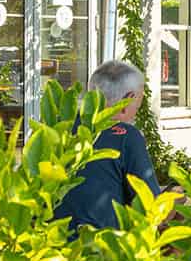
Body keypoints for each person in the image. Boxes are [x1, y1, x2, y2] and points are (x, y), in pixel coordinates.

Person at [53, 60, 161, 234]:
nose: (137, 111)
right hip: (101, 251)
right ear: (128, 100)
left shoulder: (57, 128)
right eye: (138, 104)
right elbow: (152, 206)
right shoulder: (127, 136)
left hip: (51, 248)